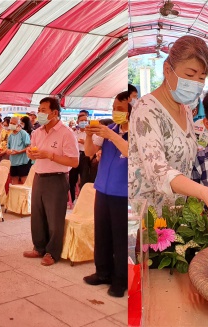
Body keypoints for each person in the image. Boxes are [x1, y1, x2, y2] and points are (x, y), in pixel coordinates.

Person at [129, 35, 208, 216]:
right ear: (167, 70)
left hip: (176, 214)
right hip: (148, 217)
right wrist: (202, 192)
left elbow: (186, 157)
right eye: (190, 75)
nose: (196, 83)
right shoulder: (146, 110)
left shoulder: (185, 109)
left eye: (201, 78)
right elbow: (158, 171)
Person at [82, 90, 130, 297]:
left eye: (120, 109)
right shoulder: (109, 129)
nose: (115, 112)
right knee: (102, 234)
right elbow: (89, 153)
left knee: (120, 238)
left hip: (124, 193)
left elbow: (130, 152)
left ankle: (120, 279)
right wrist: (88, 135)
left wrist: (112, 135)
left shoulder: (137, 132)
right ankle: (102, 272)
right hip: (102, 188)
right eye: (114, 108)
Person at [22, 97, 79, 266]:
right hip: (39, 176)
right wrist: (29, 153)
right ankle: (38, 247)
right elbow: (32, 152)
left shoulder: (66, 133)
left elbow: (74, 162)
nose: (40, 113)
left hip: (56, 178)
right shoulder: (37, 132)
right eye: (39, 110)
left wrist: (50, 155)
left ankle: (52, 252)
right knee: (37, 215)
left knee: (54, 219)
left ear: (55, 113)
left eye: (43, 110)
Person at [69, 110, 92, 203]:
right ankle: (72, 199)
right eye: (82, 121)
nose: (84, 122)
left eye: (85, 120)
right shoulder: (73, 132)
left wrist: (85, 142)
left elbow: (94, 145)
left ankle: (83, 200)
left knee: (84, 178)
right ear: (78, 122)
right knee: (72, 179)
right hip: (75, 155)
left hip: (85, 156)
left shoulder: (90, 133)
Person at [4, 116, 32, 189]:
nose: (12, 124)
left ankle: (25, 199)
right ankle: (15, 198)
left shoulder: (23, 133)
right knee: (14, 181)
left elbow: (29, 146)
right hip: (13, 162)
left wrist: (19, 151)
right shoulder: (10, 135)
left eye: (14, 123)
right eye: (11, 123)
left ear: (18, 125)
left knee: (24, 181)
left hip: (23, 162)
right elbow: (8, 147)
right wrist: (8, 151)